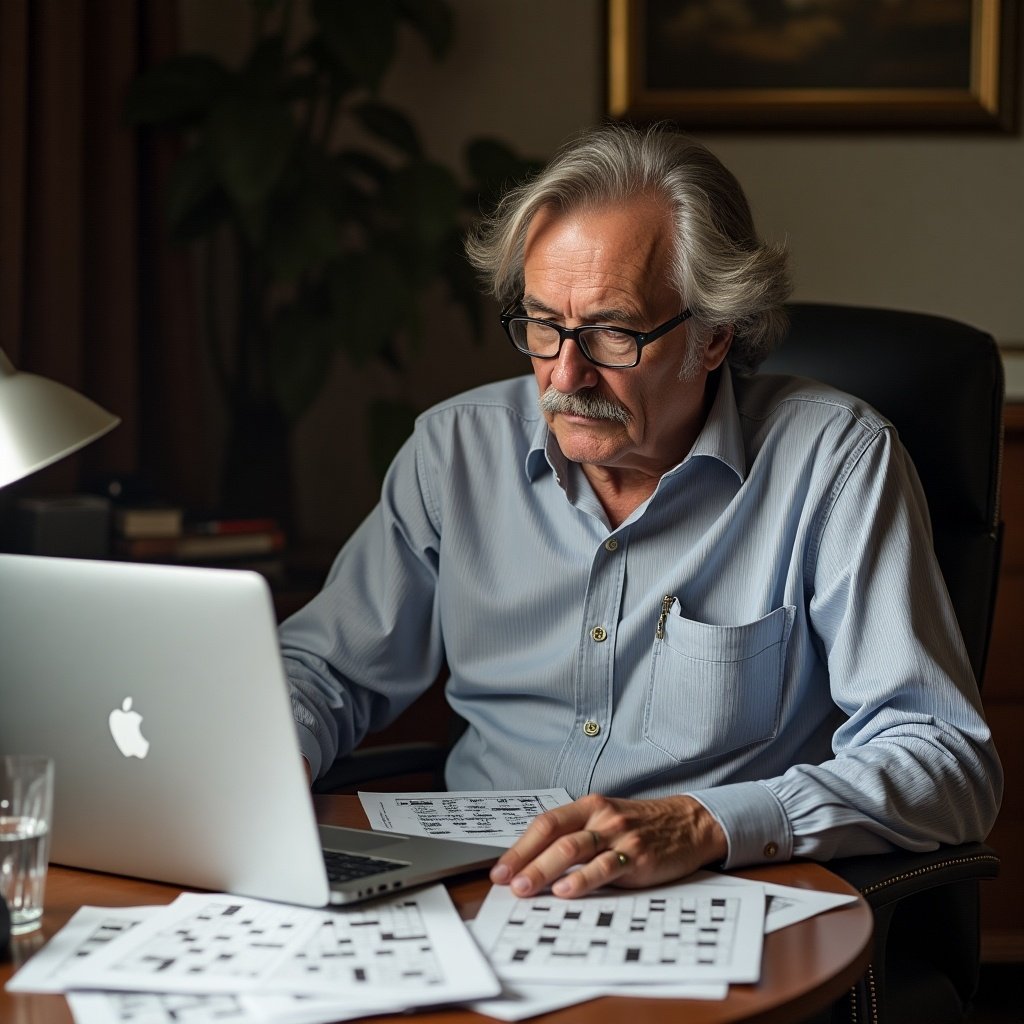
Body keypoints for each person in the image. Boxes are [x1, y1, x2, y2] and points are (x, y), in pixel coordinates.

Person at [280, 122, 1001, 901]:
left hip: (707, 896)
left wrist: (703, 824)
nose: (565, 373)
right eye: (542, 324)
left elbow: (944, 760)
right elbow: (325, 670)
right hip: (476, 889)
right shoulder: (454, 451)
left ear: (715, 336)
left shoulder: (834, 463)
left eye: (613, 333)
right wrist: (260, 752)